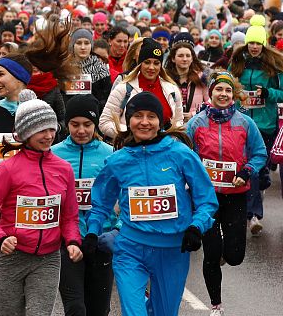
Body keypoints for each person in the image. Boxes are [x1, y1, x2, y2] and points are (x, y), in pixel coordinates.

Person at [84, 92, 218, 316]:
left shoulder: (180, 154)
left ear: (160, 121)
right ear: (128, 120)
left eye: (151, 116)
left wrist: (197, 227)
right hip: (130, 248)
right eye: (137, 116)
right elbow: (101, 203)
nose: (144, 122)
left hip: (173, 249)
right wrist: (92, 232)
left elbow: (206, 199)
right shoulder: (118, 161)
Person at [0, 90, 83, 316]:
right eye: (40, 130)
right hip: (11, 256)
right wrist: (0, 238)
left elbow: (69, 216)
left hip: (48, 258)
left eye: (51, 129)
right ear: (25, 134)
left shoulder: (64, 169)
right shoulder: (8, 169)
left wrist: (73, 240)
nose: (47, 136)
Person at [186, 71, 267, 316]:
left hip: (236, 193)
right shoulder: (197, 122)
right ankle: (216, 306)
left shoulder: (245, 122)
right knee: (210, 253)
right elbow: (184, 155)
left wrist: (247, 170)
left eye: (228, 90)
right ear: (211, 93)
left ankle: (224, 251)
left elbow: (260, 152)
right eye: (219, 90)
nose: (223, 94)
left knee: (234, 256)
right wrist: (194, 177)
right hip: (207, 198)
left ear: (233, 95)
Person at [51, 95, 117, 316]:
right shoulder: (54, 154)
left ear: (95, 124)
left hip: (100, 239)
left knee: (99, 309)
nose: (81, 130)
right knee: (76, 308)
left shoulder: (110, 155)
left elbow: (121, 196)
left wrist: (116, 228)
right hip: (67, 241)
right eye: (75, 124)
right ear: (66, 124)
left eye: (87, 124)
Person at [228, 15, 283, 234]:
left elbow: (281, 93)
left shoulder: (274, 64)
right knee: (249, 168)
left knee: (258, 170)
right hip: (242, 123)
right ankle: (253, 216)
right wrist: (235, 92)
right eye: (250, 43)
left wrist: (268, 93)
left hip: (266, 124)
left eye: (257, 44)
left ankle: (262, 184)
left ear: (263, 45)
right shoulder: (238, 62)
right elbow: (226, 85)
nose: (253, 47)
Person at [100, 38, 184, 140]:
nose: (151, 67)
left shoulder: (172, 90)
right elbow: (105, 122)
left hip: (163, 150)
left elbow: (179, 121)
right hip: (131, 149)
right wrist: (130, 135)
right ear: (140, 63)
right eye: (147, 62)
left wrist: (170, 137)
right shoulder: (124, 88)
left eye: (156, 63)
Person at [65, 28, 111, 108]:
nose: (83, 47)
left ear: (91, 45)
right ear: (73, 45)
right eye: (79, 43)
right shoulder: (65, 68)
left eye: (87, 43)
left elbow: (106, 99)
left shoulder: (101, 69)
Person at [165, 38, 209, 121]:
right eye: (180, 56)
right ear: (173, 59)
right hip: (171, 124)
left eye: (188, 56)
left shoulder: (202, 78)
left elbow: (209, 103)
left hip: (195, 123)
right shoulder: (166, 79)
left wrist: (193, 114)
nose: (185, 59)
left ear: (192, 59)